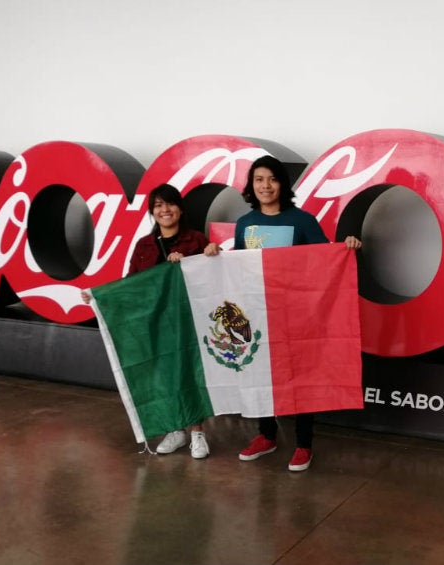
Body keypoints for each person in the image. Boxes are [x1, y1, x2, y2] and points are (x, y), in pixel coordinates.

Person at [231, 155, 362, 472]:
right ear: (251, 185)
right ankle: (267, 436)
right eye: (259, 179)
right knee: (262, 373)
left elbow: (324, 258)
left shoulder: (301, 220)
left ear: (282, 184)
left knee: (303, 374)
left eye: (272, 179)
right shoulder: (244, 224)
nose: (265, 185)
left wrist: (346, 247)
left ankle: (304, 444)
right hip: (259, 313)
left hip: (298, 315)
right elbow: (235, 266)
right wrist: (212, 256)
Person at [82, 183, 219, 458]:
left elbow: (213, 277)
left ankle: (197, 433)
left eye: (169, 204)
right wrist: (99, 296)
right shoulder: (143, 245)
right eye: (157, 205)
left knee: (189, 373)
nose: (164, 210)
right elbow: (132, 284)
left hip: (187, 321)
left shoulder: (196, 240)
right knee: (163, 376)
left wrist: (206, 255)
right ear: (152, 212)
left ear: (180, 209)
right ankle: (174, 430)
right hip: (154, 323)